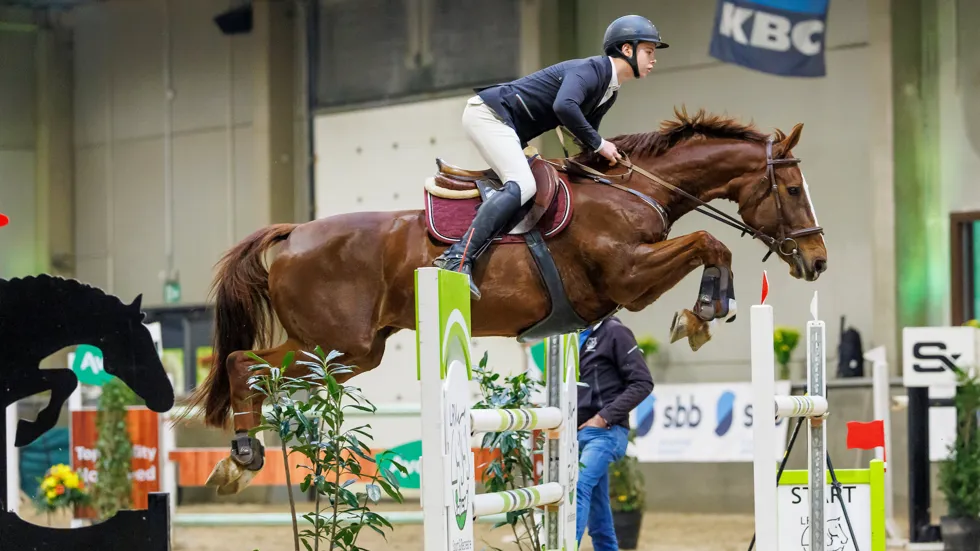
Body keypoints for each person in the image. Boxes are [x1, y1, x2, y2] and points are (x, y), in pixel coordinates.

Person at [432, 14, 669, 299]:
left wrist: (607, 159)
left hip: (508, 126)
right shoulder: (591, 70)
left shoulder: (609, 91)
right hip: (489, 116)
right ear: (627, 49)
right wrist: (600, 145)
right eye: (648, 51)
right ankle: (457, 258)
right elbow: (564, 106)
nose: (653, 59)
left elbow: (585, 137)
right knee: (523, 185)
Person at [576, 315, 654, 550]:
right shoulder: (572, 334)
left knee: (578, 487)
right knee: (598, 512)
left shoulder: (615, 332)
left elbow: (643, 382)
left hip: (606, 433)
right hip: (576, 434)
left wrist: (603, 417)